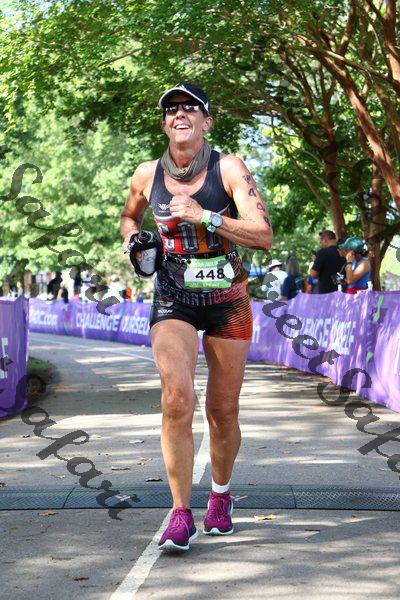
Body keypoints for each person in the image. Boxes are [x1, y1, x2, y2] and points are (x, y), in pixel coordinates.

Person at [120, 83, 272, 551]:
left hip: (229, 300)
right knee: (176, 398)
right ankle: (180, 512)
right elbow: (128, 217)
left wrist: (206, 216)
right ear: (165, 123)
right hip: (174, 297)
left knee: (222, 410)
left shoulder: (228, 168)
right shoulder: (146, 174)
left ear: (206, 121)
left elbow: (263, 234)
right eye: (171, 109)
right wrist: (132, 240)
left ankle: (220, 498)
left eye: (190, 107)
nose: (180, 113)